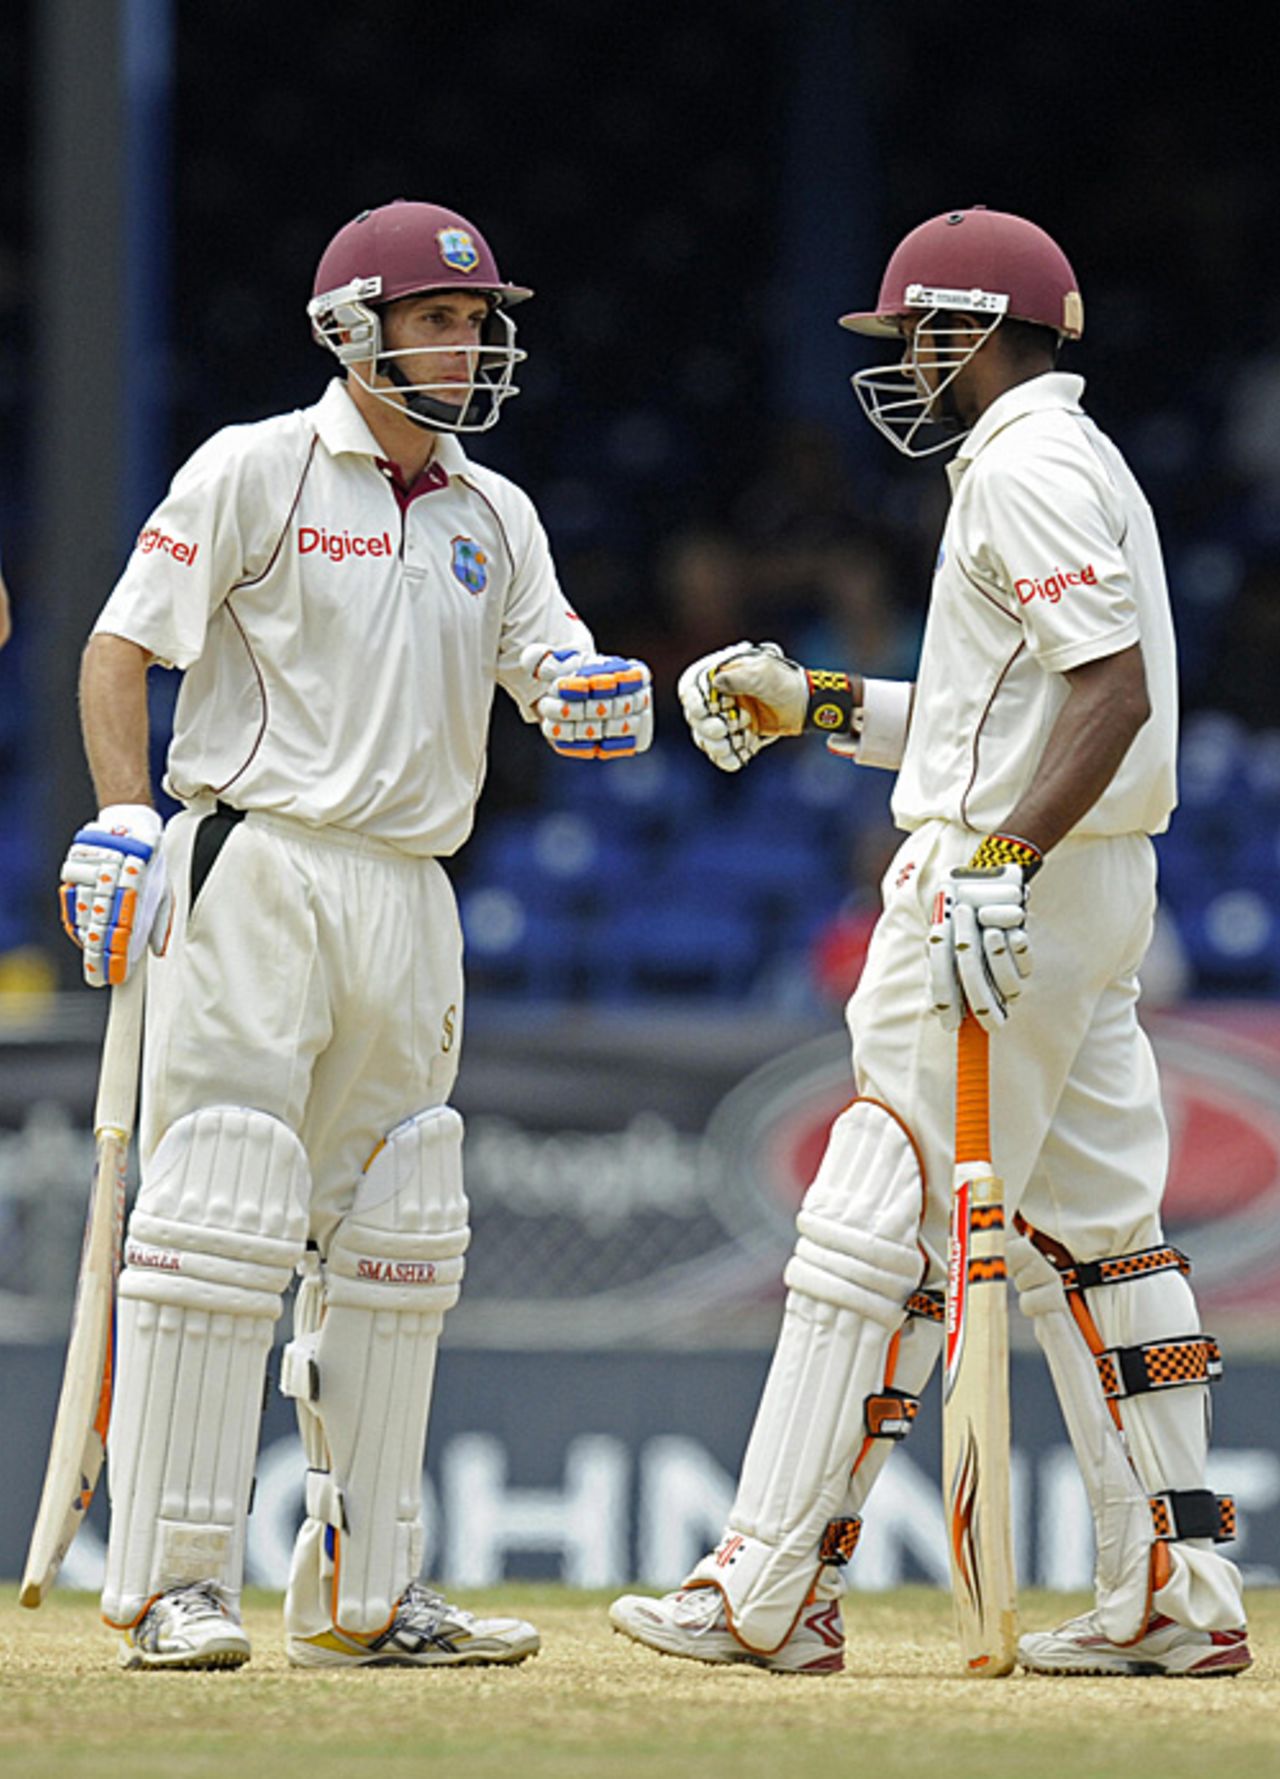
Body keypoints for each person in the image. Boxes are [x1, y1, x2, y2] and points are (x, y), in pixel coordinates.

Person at [610, 206, 1250, 1678]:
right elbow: (998, 722)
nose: (902, 362)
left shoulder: (1021, 469)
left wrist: (1001, 863)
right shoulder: (1076, 462)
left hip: (1002, 887)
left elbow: (1110, 689)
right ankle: (1172, 1588)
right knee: (1099, 1249)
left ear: (973, 331)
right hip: (1088, 893)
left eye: (914, 336)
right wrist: (811, 703)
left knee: (870, 1216)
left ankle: (767, 1588)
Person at [58, 199, 652, 1672]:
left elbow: (549, 655)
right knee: (218, 1209)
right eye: (438, 321)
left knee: (397, 1230)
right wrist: (128, 818)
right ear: (355, 330)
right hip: (258, 861)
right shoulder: (256, 469)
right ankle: (174, 1585)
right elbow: (120, 646)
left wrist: (588, 693)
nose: (465, 345)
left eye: (476, 322)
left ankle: (367, 1591)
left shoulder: (492, 511)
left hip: (412, 884)